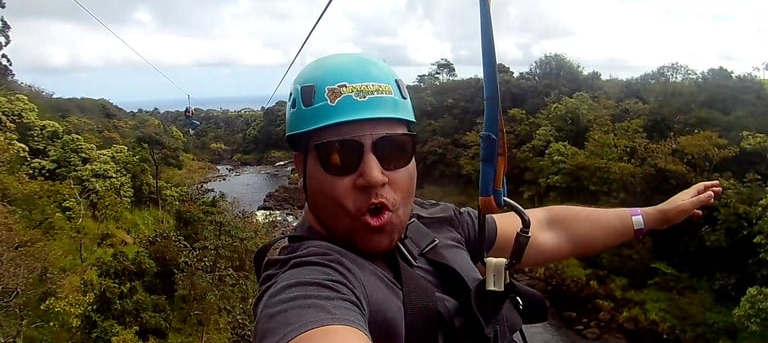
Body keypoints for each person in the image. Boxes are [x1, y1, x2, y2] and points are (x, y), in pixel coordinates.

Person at [251, 53, 722, 343]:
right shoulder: (309, 284)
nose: (374, 176)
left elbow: (549, 227)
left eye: (393, 150)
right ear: (302, 169)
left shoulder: (435, 223)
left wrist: (654, 217)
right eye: (340, 156)